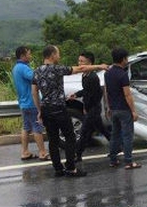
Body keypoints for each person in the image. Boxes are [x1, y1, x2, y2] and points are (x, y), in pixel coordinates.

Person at [32, 45, 108, 177]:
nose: (59, 56)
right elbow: (81, 68)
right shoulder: (58, 69)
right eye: (58, 54)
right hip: (59, 108)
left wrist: (39, 110)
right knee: (70, 137)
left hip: (46, 109)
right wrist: (100, 66)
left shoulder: (37, 71)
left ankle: (58, 169)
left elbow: (34, 92)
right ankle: (71, 168)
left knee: (53, 140)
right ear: (52, 55)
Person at [69, 51, 111, 162]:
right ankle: (118, 146)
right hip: (90, 108)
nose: (79, 63)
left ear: (90, 63)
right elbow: (86, 91)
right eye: (79, 61)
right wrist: (76, 94)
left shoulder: (93, 77)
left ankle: (77, 154)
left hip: (94, 108)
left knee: (84, 132)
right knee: (101, 129)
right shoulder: (84, 75)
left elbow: (96, 94)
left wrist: (88, 108)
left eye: (82, 61)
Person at [105, 47, 142, 170]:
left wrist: (108, 107)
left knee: (115, 135)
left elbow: (106, 91)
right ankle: (129, 161)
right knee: (127, 136)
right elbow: (127, 94)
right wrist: (133, 111)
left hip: (114, 109)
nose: (127, 60)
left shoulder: (108, 73)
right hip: (124, 110)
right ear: (123, 59)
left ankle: (113, 160)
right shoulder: (123, 75)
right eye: (126, 58)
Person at [12, 46, 49, 161]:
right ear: (23, 56)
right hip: (31, 102)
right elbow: (37, 78)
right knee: (37, 127)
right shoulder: (24, 68)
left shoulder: (16, 68)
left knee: (26, 127)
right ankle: (42, 152)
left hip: (23, 103)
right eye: (29, 54)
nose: (30, 55)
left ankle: (25, 152)